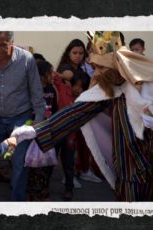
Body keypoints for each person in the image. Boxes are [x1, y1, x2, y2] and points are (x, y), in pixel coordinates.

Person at [12, 31, 153, 202]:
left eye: (101, 67)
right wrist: (37, 131)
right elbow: (76, 113)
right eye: (95, 68)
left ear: (118, 64)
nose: (97, 74)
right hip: (127, 171)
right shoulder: (108, 86)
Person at [0, 31, 45, 201]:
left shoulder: (26, 59)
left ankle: (16, 205)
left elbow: (36, 93)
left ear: (12, 42)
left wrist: (36, 126)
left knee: (20, 163)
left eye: (3, 45)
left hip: (21, 118)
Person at [55, 38, 89, 200]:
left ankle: (69, 188)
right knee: (50, 158)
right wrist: (63, 76)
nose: (77, 56)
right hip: (59, 119)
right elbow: (67, 74)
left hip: (73, 121)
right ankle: (40, 189)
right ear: (68, 53)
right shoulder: (65, 68)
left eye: (81, 53)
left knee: (69, 159)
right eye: (74, 52)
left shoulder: (84, 72)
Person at [27, 59, 58, 201]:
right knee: (32, 163)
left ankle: (44, 189)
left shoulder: (52, 90)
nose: (53, 75)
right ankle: (32, 192)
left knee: (46, 162)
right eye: (51, 73)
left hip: (48, 131)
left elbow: (56, 109)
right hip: (32, 131)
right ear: (42, 75)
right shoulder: (30, 90)